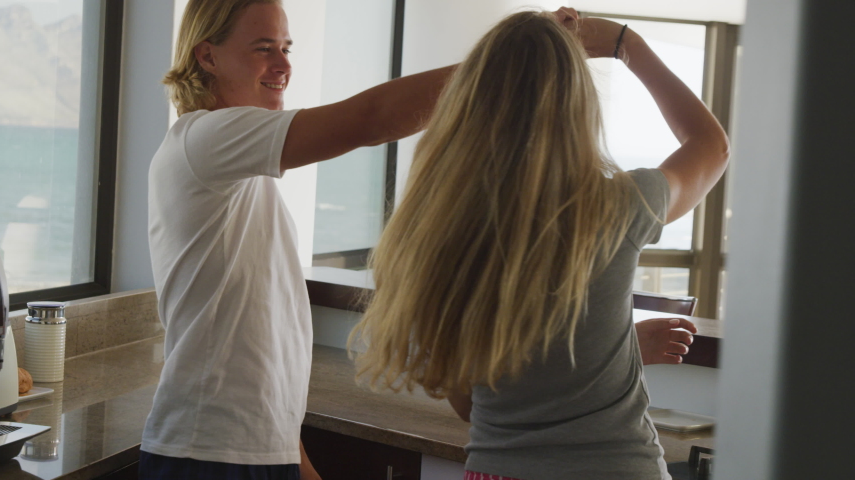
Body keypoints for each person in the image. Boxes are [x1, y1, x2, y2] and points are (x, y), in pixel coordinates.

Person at [142, 1, 705, 478]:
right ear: (207, 56)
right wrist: (509, 63)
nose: (284, 64)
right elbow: (371, 118)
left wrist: (294, 456)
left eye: (287, 47)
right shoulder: (204, 141)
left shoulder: (239, 168)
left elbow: (253, 349)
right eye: (263, 48)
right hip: (208, 452)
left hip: (250, 447)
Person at [350, 9, 728, 480]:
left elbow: (470, 404)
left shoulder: (435, 226)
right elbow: (711, 145)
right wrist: (626, 43)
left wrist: (621, 347)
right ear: (577, 106)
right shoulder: (616, 206)